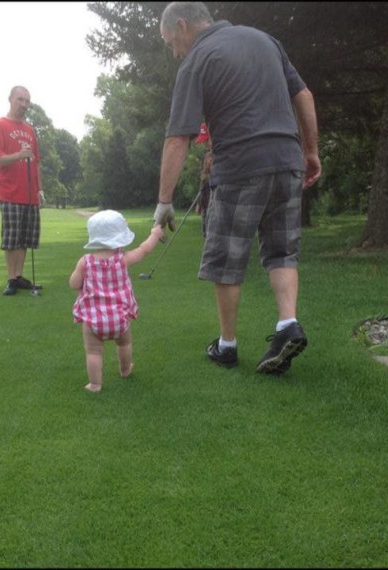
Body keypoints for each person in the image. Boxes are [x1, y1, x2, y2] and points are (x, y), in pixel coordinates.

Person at [153, 2, 321, 375]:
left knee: (226, 260)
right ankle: (287, 324)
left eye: (171, 43)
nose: (175, 51)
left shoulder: (197, 60)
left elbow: (178, 137)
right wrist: (311, 151)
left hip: (241, 167)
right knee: (282, 252)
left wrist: (164, 202)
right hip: (287, 161)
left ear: (182, 25)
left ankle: (227, 346)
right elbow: (304, 96)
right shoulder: (264, 40)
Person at [70, 210, 165, 393]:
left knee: (93, 352)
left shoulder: (85, 262)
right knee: (124, 344)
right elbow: (144, 250)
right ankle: (125, 369)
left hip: (93, 320)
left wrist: (81, 279)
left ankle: (95, 384)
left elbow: (74, 284)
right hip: (120, 317)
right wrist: (155, 233)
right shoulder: (123, 259)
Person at [0, 85, 46, 296]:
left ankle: (20, 276)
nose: (24, 104)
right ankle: (11, 278)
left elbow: (36, 161)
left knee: (25, 238)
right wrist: (18, 155)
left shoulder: (30, 130)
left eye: (27, 101)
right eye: (20, 100)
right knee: (11, 238)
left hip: (30, 193)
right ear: (10, 99)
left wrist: (40, 189)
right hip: (10, 192)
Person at [194, 122, 213, 238]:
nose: (205, 144)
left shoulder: (222, 154)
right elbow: (202, 183)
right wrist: (199, 204)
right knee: (205, 234)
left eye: (206, 140)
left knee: (212, 236)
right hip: (205, 202)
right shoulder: (206, 157)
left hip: (216, 204)